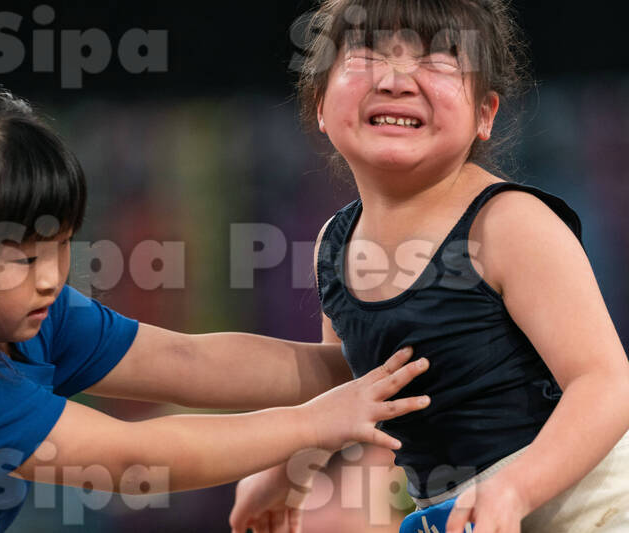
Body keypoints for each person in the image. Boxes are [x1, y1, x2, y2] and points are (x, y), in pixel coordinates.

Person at [0, 82, 435, 533]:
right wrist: (315, 423)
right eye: (21, 257)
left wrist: (369, 365)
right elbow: (135, 461)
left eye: (61, 246)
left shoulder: (19, 310)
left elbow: (188, 361)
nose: (52, 278)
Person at [229, 1, 629, 533]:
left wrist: (514, 490)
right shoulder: (334, 245)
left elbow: (605, 383)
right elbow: (354, 392)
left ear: (485, 114)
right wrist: (288, 471)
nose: (395, 80)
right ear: (320, 105)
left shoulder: (509, 224)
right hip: (460, 517)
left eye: (437, 58)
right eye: (367, 55)